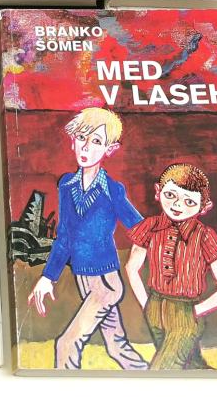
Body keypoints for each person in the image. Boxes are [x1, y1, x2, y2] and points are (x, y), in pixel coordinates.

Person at [27, 107, 148, 370]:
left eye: (96, 141)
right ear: (72, 141)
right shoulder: (66, 185)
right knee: (117, 346)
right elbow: (64, 236)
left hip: (105, 283)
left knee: (66, 344)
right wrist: (48, 277)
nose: (86, 147)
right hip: (82, 277)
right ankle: (147, 375)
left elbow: (142, 230)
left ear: (109, 149)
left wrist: (133, 266)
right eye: (82, 138)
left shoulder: (112, 190)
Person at [124, 163, 217, 370]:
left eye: (189, 201)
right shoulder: (150, 226)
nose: (178, 205)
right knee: (192, 366)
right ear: (158, 192)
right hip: (154, 308)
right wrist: (146, 305)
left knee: (162, 370)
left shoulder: (204, 236)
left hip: (185, 313)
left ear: (204, 207)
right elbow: (132, 267)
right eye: (171, 195)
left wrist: (193, 313)